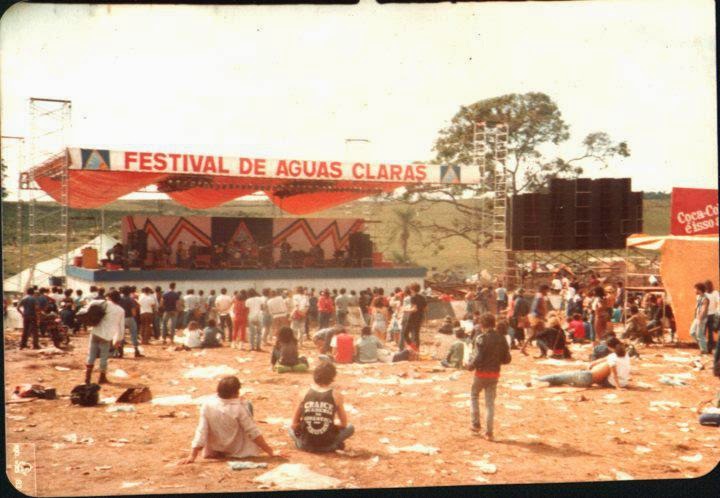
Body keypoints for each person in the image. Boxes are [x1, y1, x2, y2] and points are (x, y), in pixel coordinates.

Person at [183, 376, 279, 463]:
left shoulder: (207, 404)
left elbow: (202, 431)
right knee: (247, 404)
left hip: (216, 448)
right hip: (237, 450)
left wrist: (192, 455)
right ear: (235, 392)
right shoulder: (239, 408)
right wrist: (270, 451)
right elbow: (253, 432)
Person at [288, 361, 354, 452]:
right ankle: (333, 445)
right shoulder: (336, 395)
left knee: (289, 427)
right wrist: (330, 426)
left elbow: (294, 424)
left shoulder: (304, 393)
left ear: (315, 375)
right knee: (350, 427)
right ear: (332, 377)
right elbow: (344, 424)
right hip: (327, 444)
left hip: (306, 444)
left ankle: (300, 444)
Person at [467, 313, 511, 440]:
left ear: (482, 324)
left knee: (474, 395)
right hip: (494, 374)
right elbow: (507, 359)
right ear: (494, 323)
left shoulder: (481, 338)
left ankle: (475, 425)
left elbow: (478, 356)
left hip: (481, 373)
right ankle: (489, 433)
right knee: (489, 404)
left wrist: (470, 366)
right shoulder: (501, 338)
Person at [536, 342, 631, 388]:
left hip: (587, 377)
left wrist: (618, 387)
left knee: (561, 377)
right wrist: (593, 363)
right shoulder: (624, 356)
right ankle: (543, 380)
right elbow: (605, 359)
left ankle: (538, 380)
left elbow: (614, 373)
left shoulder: (612, 359)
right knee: (562, 379)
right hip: (597, 379)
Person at [84, 290, 125, 385]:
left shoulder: (103, 303)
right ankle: (102, 377)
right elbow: (121, 327)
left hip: (95, 331)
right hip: (107, 336)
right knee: (104, 356)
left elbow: (91, 303)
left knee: (91, 354)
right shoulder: (121, 310)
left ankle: (87, 378)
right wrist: (118, 340)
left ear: (109, 297)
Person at [521, 284, 549, 356]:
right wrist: (541, 316)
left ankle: (523, 348)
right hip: (537, 318)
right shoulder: (539, 296)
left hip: (537, 317)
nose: (547, 292)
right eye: (547, 290)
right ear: (543, 290)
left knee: (533, 334)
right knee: (541, 334)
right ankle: (543, 352)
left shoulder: (539, 296)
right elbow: (535, 308)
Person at [402, 282, 427, 350]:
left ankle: (413, 347)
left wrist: (406, 310)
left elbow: (414, 309)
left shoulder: (413, 297)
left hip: (413, 317)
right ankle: (417, 350)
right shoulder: (423, 297)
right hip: (420, 317)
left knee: (405, 334)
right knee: (416, 334)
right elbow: (425, 309)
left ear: (412, 289)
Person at [691, 282, 711, 354]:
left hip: (701, 319)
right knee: (692, 332)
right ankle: (703, 346)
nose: (694, 290)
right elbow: (697, 307)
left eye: (695, 289)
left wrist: (700, 319)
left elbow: (704, 309)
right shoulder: (698, 297)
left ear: (699, 289)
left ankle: (704, 350)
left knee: (700, 334)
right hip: (696, 317)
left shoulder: (705, 299)